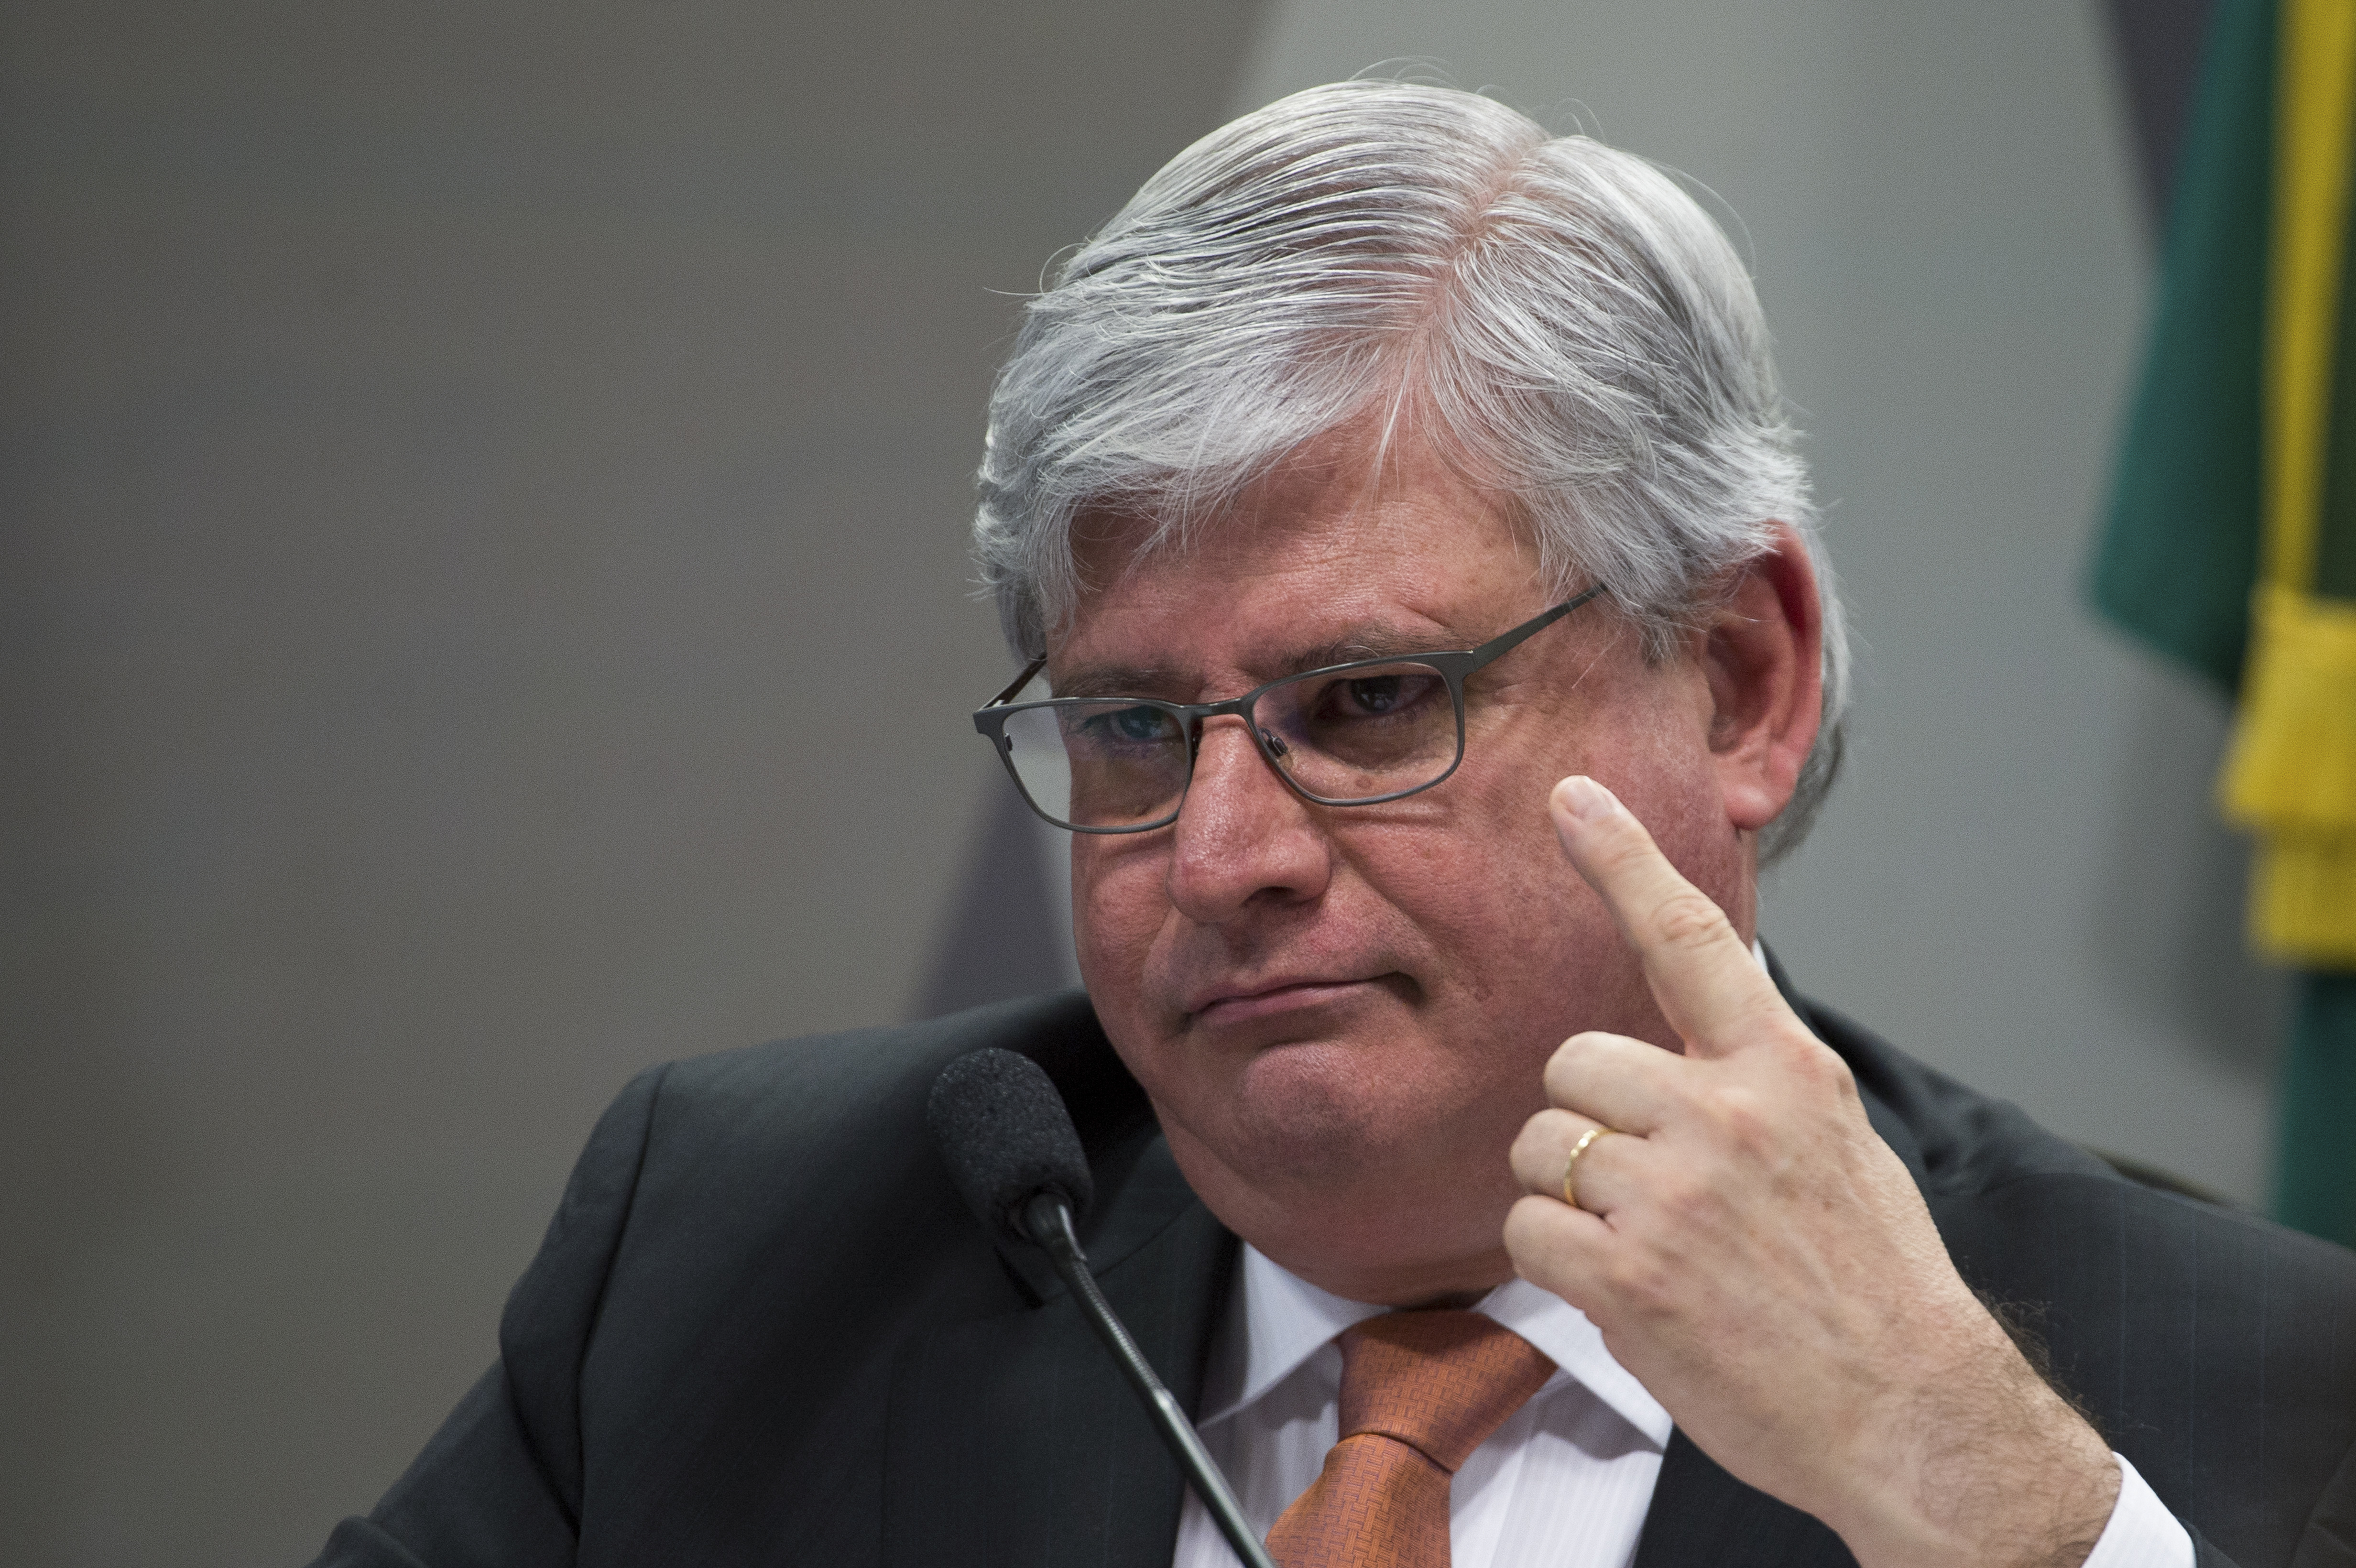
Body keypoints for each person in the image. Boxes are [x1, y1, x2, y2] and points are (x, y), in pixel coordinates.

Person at [312, 82, 2356, 1568]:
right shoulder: (738, 1254)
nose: (1218, 858)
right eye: (1131, 724)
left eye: (1367, 702)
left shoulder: (2255, 1396)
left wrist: (1991, 1511)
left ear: (1738, 678)